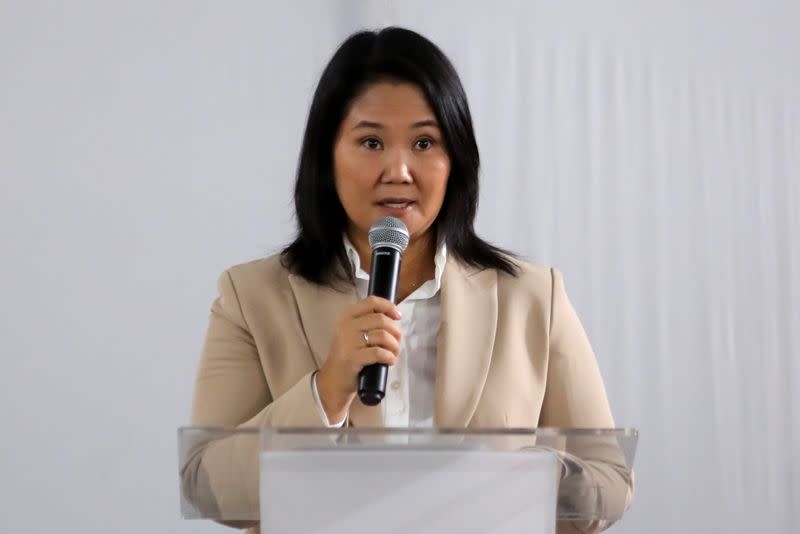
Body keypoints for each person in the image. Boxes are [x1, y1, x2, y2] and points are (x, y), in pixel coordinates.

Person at [186, 27, 633, 533]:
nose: (398, 170)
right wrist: (325, 392)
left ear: (456, 158)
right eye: (371, 142)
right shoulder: (251, 297)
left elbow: (609, 482)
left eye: (424, 142)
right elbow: (207, 486)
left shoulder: (532, 297)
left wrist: (529, 477)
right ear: (326, 155)